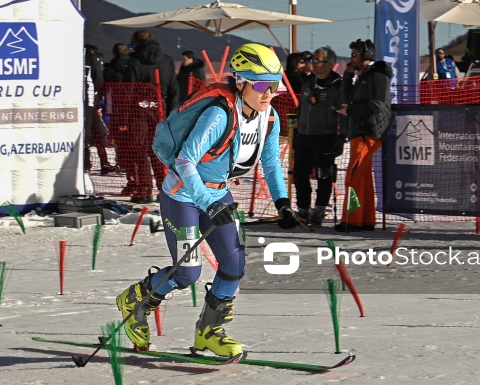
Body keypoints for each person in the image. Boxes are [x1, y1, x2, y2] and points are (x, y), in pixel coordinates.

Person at [116, 43, 299, 358]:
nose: (269, 93)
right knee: (187, 273)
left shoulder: (269, 117)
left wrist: (282, 202)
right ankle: (135, 300)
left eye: (275, 85)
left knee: (234, 265)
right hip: (183, 196)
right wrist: (207, 201)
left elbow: (270, 165)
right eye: (261, 85)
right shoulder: (219, 113)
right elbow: (186, 162)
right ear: (240, 81)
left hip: (217, 193)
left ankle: (209, 333)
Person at [335, 39, 391, 232]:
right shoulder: (364, 75)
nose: (351, 58)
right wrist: (348, 75)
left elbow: (378, 105)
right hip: (360, 130)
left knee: (353, 176)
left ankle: (352, 220)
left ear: (366, 56)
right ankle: (365, 220)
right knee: (363, 177)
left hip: (368, 131)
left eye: (355, 55)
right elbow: (346, 98)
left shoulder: (377, 76)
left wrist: (351, 111)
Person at [124, 30, 180, 203]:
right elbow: (173, 89)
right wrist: (173, 115)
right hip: (160, 109)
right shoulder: (167, 60)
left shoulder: (133, 61)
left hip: (138, 109)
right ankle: (166, 189)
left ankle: (144, 190)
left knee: (140, 151)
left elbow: (127, 91)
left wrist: (124, 117)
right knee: (161, 151)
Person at [294, 46, 346, 226]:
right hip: (304, 136)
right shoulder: (308, 82)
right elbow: (301, 107)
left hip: (325, 137)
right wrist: (296, 132)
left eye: (317, 61)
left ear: (329, 64)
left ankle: (319, 210)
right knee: (300, 175)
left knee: (324, 176)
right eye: (312, 60)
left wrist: (341, 137)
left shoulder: (338, 84)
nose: (313, 64)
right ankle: (303, 210)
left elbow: (344, 112)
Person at [84, 44, 119, 175]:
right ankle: (92, 162)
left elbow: (98, 82)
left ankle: (99, 162)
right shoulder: (92, 63)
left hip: (91, 103)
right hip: (91, 103)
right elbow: (99, 82)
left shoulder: (91, 61)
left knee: (98, 133)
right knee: (97, 133)